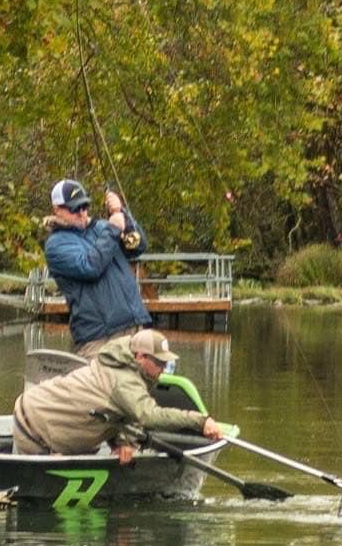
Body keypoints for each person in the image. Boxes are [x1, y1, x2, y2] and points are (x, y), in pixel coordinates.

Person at [12, 328, 223, 461]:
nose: (163, 368)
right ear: (140, 357)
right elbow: (149, 415)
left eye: (166, 363)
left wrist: (124, 441)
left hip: (34, 413)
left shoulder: (124, 364)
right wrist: (200, 421)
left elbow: (121, 410)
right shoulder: (125, 381)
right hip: (34, 431)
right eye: (158, 362)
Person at [42, 178, 151, 358]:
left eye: (84, 206)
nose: (81, 213)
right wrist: (113, 229)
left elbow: (137, 247)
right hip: (99, 339)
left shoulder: (101, 228)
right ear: (57, 210)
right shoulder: (56, 245)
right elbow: (90, 267)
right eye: (74, 208)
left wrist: (121, 213)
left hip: (135, 330)